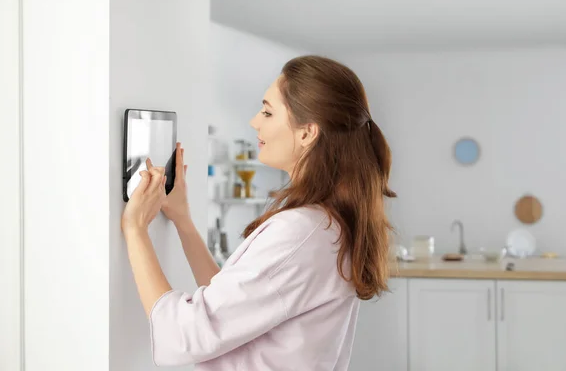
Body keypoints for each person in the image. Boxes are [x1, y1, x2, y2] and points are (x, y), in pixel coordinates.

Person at [121, 55, 397, 370]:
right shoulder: (325, 224)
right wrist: (184, 223)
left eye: (267, 111)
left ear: (307, 132)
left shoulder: (301, 232)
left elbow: (188, 334)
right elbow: (233, 303)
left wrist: (135, 230)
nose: (255, 121)